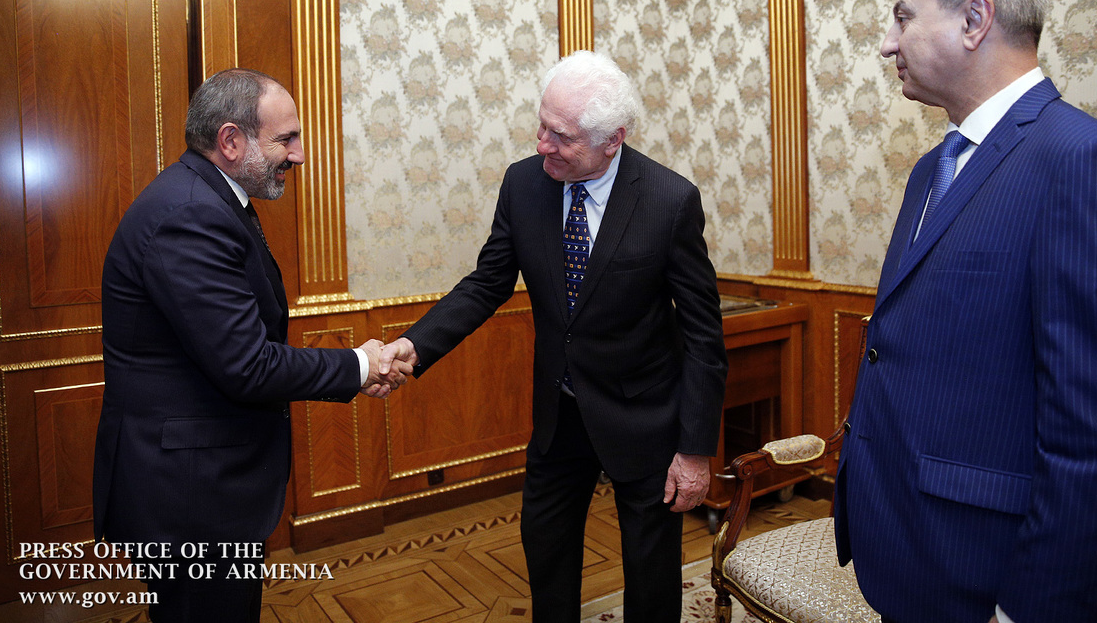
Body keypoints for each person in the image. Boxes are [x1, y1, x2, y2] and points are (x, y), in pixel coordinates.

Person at [833, 0, 1097, 623]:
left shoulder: (1087, 165)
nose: (888, 44)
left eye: (903, 16)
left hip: (1000, 578)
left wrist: (1030, 610)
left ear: (974, 20)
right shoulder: (931, 169)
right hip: (914, 554)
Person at [378, 50, 728, 623]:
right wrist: (414, 347)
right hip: (558, 415)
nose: (543, 145)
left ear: (612, 140)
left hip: (644, 419)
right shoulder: (524, 184)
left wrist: (694, 451)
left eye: (561, 136)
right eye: (542, 126)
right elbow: (487, 283)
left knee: (651, 577)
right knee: (547, 558)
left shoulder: (669, 200)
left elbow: (702, 336)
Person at [92, 68, 408, 622]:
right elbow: (247, 365)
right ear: (231, 140)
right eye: (286, 139)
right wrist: (361, 365)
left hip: (202, 483)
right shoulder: (192, 214)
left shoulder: (210, 197)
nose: (300, 155)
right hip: (191, 496)